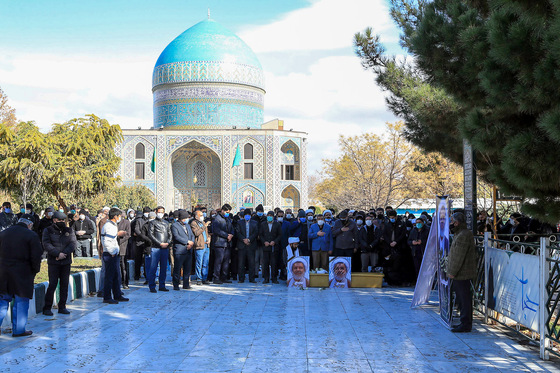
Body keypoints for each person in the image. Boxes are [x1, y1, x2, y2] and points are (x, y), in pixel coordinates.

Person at [0, 215, 42, 337]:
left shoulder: (4, 233)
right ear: (30, 225)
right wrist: (35, 271)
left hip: (3, 273)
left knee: (2, 301)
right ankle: (19, 330)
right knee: (21, 300)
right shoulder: (31, 235)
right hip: (22, 273)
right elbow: (36, 256)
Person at [447, 212, 477, 333]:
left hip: (463, 273)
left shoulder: (464, 235)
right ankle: (462, 321)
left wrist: (452, 271)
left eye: (451, 221)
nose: (450, 223)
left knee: (464, 299)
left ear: (456, 222)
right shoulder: (459, 233)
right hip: (460, 272)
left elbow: (459, 256)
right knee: (460, 298)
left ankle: (465, 323)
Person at [42, 211, 77, 315]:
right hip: (54, 261)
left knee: (64, 285)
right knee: (52, 284)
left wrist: (63, 254)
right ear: (54, 220)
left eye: (63, 220)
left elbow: (73, 243)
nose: (62, 222)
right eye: (60, 220)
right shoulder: (48, 230)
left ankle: (62, 306)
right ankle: (47, 308)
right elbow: (46, 244)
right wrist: (57, 254)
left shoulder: (69, 230)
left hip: (65, 261)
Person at [101, 208, 129, 304]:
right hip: (110, 254)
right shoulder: (109, 226)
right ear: (115, 216)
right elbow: (107, 241)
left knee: (116, 276)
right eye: (119, 216)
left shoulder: (113, 225)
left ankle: (117, 295)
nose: (120, 218)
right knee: (109, 276)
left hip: (114, 253)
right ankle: (107, 297)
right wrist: (112, 252)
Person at [147, 206, 172, 292]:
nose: (160, 214)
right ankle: (152, 286)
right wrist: (159, 243)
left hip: (165, 248)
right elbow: (150, 235)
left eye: (162, 212)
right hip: (156, 248)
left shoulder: (166, 223)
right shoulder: (152, 223)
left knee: (164, 268)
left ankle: (162, 285)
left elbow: (170, 234)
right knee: (153, 268)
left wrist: (167, 243)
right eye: (159, 212)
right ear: (156, 212)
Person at [171, 210, 195, 290]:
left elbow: (192, 235)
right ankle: (176, 284)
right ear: (181, 218)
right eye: (185, 218)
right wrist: (187, 242)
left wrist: (191, 243)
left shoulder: (187, 225)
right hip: (180, 250)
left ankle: (186, 284)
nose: (187, 220)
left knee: (187, 268)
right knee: (177, 268)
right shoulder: (175, 225)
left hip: (188, 250)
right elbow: (176, 236)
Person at [211, 204, 234, 284]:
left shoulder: (228, 219)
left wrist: (231, 235)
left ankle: (224, 277)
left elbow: (232, 228)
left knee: (226, 261)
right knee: (219, 261)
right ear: (222, 210)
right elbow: (217, 230)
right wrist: (226, 235)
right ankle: (216, 277)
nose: (227, 213)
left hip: (227, 243)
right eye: (226, 212)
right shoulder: (217, 219)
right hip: (219, 243)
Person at [236, 209, 259, 283]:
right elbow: (238, 232)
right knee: (241, 263)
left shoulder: (255, 223)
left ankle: (251, 278)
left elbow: (255, 233)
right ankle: (241, 278)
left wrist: (249, 240)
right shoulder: (239, 223)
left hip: (251, 245)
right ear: (244, 216)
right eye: (246, 215)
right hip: (242, 245)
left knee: (251, 263)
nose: (247, 216)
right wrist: (244, 239)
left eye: (249, 215)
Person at [259, 210, 282, 284]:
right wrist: (264, 242)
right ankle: (266, 278)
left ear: (273, 217)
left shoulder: (277, 224)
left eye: (271, 216)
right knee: (265, 263)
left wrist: (274, 241)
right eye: (268, 215)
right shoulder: (263, 224)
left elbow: (279, 235)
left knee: (274, 263)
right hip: (266, 246)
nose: (269, 217)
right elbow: (261, 235)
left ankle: (274, 278)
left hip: (274, 247)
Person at [190, 209, 211, 285]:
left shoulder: (203, 223)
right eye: (201, 215)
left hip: (206, 245)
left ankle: (204, 278)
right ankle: (199, 278)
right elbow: (196, 233)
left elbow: (207, 233)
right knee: (199, 263)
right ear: (196, 216)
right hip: (199, 246)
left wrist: (209, 238)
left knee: (205, 263)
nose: (202, 217)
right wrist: (204, 226)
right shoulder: (193, 223)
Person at [133, 207, 151, 281]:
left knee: (147, 259)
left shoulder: (150, 220)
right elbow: (136, 230)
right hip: (140, 242)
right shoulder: (139, 220)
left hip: (147, 242)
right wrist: (142, 236)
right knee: (138, 259)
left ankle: (147, 275)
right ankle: (137, 275)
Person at [117, 210, 131, 289]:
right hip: (114, 248)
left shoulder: (126, 222)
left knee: (123, 266)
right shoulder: (113, 223)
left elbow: (128, 235)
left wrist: (119, 241)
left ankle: (125, 282)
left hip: (122, 247)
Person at [252, 204, 266, 278]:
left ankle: (264, 273)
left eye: (261, 211)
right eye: (258, 211)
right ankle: (255, 273)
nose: (260, 212)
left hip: (263, 242)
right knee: (256, 259)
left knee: (263, 259)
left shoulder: (265, 219)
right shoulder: (254, 219)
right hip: (255, 242)